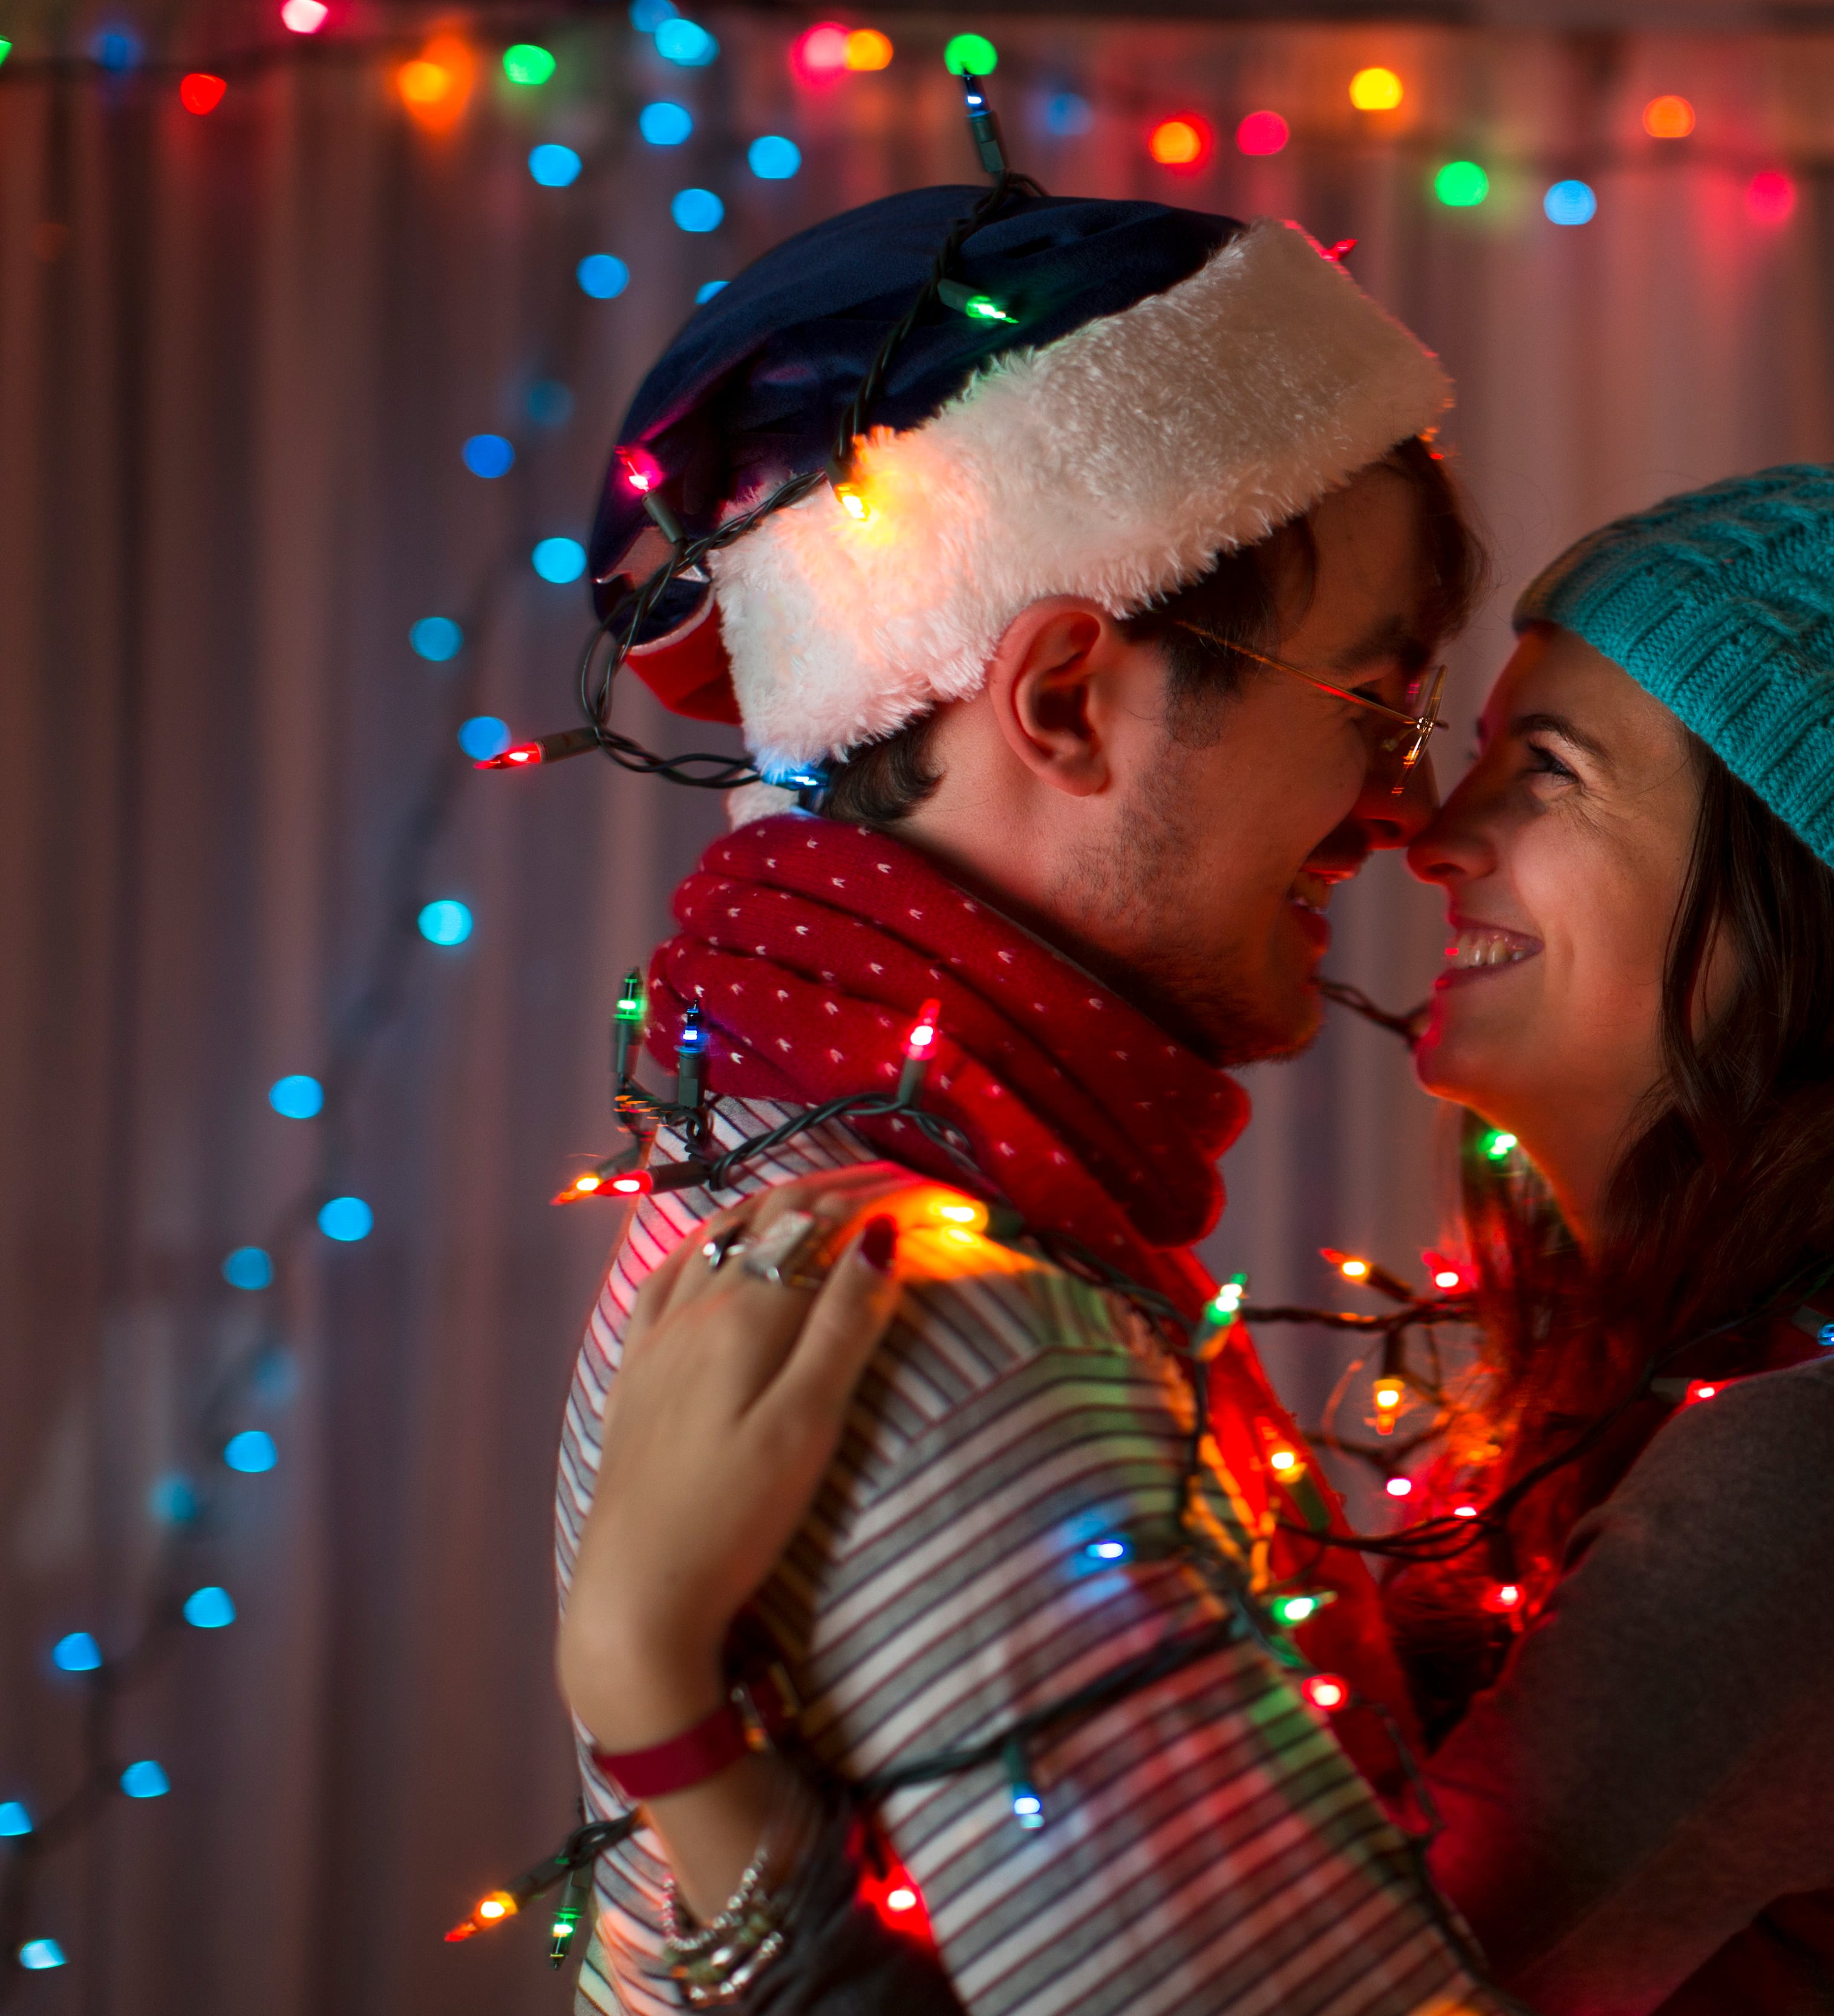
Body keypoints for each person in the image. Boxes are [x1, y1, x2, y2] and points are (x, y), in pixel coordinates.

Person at [574, 455, 1834, 2014]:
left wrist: (662, 1714)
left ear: (1796, 901)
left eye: (1550, 773)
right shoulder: (1664, 1395)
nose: (1431, 835)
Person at [536, 174, 1516, 2016]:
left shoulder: (758, 1136)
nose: (1412, 813)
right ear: (1066, 698)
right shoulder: (954, 1335)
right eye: (1376, 711)